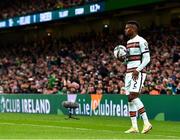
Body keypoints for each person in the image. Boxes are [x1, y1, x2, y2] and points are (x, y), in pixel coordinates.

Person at [123, 21, 152, 134]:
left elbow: (147, 58)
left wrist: (138, 69)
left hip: (137, 72)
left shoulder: (142, 41)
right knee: (129, 99)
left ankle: (146, 123)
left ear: (133, 29)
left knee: (133, 96)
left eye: (127, 28)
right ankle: (134, 127)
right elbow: (129, 59)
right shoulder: (128, 42)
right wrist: (123, 59)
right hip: (129, 72)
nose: (125, 30)